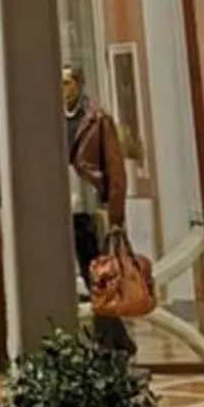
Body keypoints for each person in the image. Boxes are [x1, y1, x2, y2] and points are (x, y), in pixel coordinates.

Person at [63, 64, 134, 354]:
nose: (63, 89)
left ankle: (111, 336)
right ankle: (112, 337)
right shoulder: (53, 119)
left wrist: (116, 214)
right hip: (60, 203)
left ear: (78, 85)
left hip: (87, 206)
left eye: (67, 83)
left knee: (95, 270)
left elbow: (114, 169)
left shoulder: (96, 120)